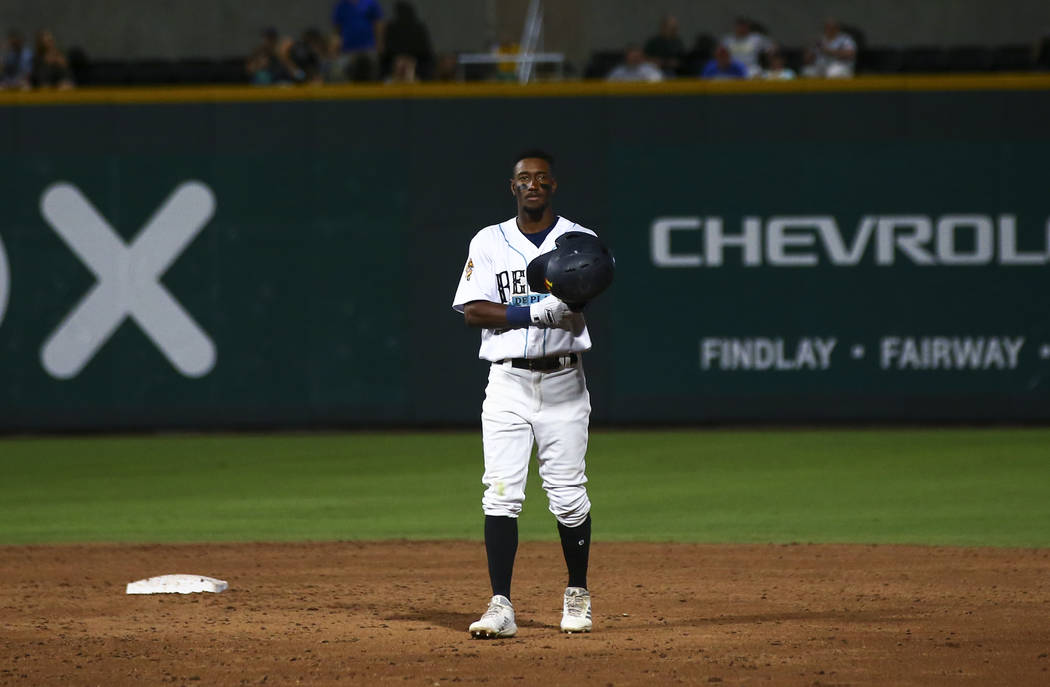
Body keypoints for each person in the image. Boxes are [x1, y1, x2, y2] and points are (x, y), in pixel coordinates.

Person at [452, 150, 596, 639]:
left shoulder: (579, 240)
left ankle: (577, 593)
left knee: (569, 497)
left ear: (552, 185)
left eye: (540, 178)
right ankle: (500, 605)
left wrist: (567, 301)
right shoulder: (489, 241)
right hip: (508, 383)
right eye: (523, 179)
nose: (532, 185)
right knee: (500, 493)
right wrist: (533, 313)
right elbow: (473, 311)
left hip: (563, 382)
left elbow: (591, 287)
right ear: (512, 187)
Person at [331, 0, 385, 81]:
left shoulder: (371, 3)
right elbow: (336, 30)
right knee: (343, 76)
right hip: (347, 50)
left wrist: (380, 43)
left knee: (372, 77)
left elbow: (378, 24)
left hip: (369, 48)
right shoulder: (341, 6)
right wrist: (334, 48)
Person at [381, 1, 433, 80]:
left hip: (417, 66)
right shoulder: (392, 28)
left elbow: (425, 52)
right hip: (395, 64)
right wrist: (398, 61)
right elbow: (387, 52)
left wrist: (410, 62)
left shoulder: (418, 28)